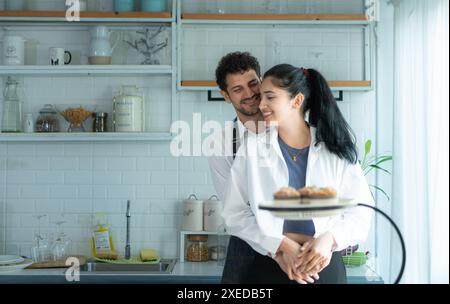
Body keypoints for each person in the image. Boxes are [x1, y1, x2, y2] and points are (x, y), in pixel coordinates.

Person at [221, 64, 374, 284]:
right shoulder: (252, 148)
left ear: (296, 101)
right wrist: (280, 247)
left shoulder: (334, 148)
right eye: (261, 97)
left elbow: (361, 211)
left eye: (270, 97)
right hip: (269, 266)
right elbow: (234, 213)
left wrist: (329, 239)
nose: (261, 104)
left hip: (323, 266)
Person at [209, 53, 319, 284]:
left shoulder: (296, 128)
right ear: (225, 96)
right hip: (248, 245)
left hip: (307, 246)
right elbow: (237, 209)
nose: (249, 94)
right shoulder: (221, 144)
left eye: (252, 84)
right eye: (237, 89)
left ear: (261, 80)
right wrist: (277, 249)